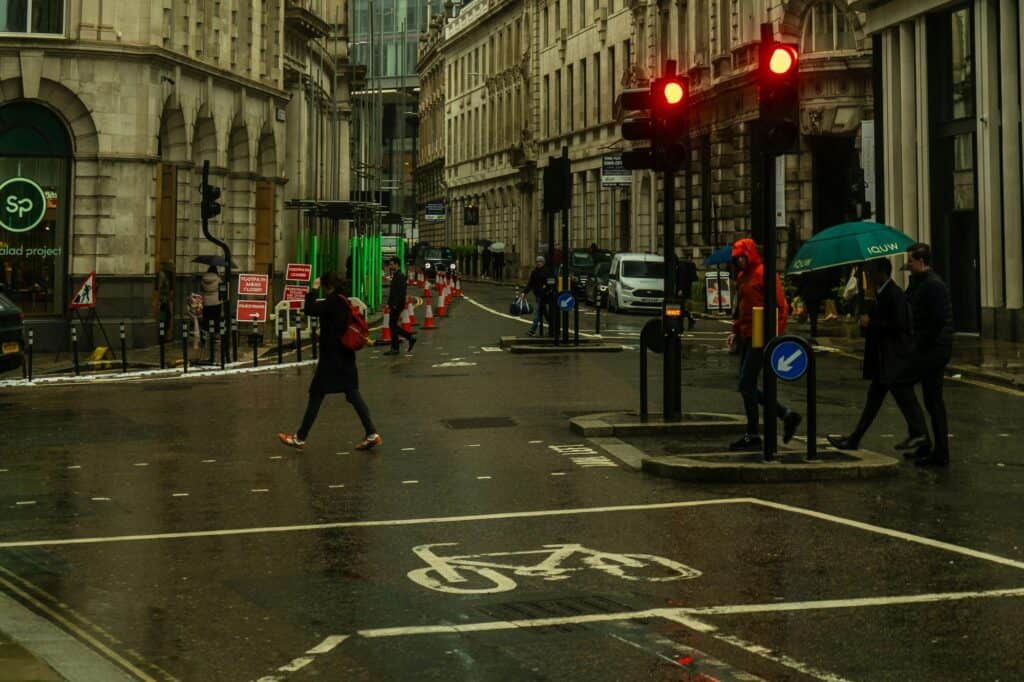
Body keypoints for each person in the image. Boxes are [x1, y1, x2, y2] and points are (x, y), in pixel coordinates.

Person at [827, 258, 928, 453]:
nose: (869, 276)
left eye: (872, 272)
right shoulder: (882, 294)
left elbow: (899, 324)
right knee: (878, 402)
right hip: (885, 360)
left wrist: (870, 323)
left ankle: (920, 436)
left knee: (904, 399)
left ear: (882, 273)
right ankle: (856, 439)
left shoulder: (893, 293)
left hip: (893, 359)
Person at [279, 272, 381, 451]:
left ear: (328, 287)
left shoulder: (333, 302)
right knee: (353, 394)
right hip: (346, 356)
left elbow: (309, 309)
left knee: (316, 394)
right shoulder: (344, 301)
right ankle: (372, 433)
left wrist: (313, 289)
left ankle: (300, 438)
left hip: (332, 358)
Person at [728, 238, 802, 450]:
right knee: (746, 385)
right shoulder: (742, 277)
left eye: (742, 256)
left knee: (745, 383)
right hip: (747, 335)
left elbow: (781, 307)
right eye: (736, 258)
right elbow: (742, 307)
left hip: (762, 336)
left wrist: (775, 336)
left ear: (749, 254)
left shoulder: (764, 273)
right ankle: (780, 418)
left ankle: (759, 429)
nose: (739, 261)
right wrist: (735, 331)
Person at [903, 242, 954, 467]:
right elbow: (908, 305)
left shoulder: (934, 285)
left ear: (921, 261)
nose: (908, 264)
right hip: (928, 348)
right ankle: (928, 446)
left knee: (907, 385)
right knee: (931, 400)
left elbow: (939, 320)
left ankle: (937, 451)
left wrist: (921, 345)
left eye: (911, 261)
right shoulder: (920, 282)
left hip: (934, 349)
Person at [384, 256, 416, 355]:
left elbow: (400, 293)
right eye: (390, 264)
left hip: (397, 305)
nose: (390, 266)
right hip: (394, 304)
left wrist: (394, 305)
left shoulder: (401, 276)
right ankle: (407, 339)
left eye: (392, 264)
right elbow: (393, 292)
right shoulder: (396, 275)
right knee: (392, 325)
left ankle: (396, 347)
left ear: (397, 264)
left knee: (392, 325)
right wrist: (389, 304)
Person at [524, 256, 550, 337]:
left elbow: (549, 282)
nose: (539, 263)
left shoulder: (547, 271)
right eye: (537, 261)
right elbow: (530, 283)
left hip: (544, 295)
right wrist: (524, 292)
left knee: (537, 314)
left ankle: (532, 331)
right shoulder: (534, 272)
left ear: (543, 262)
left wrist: (545, 286)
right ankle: (553, 329)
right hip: (538, 295)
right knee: (545, 314)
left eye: (540, 261)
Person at [200, 265, 222, 359]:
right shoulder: (218, 279)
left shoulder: (203, 279)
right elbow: (222, 288)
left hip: (206, 301)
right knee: (216, 318)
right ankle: (216, 336)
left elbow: (201, 288)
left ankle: (207, 334)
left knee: (207, 318)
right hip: (216, 301)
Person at [676, 254, 698, 330]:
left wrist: (680, 289)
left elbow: (682, 278)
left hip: (682, 290)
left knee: (681, 308)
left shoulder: (681, 266)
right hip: (687, 289)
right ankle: (689, 320)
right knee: (683, 308)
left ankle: (683, 324)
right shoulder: (685, 266)